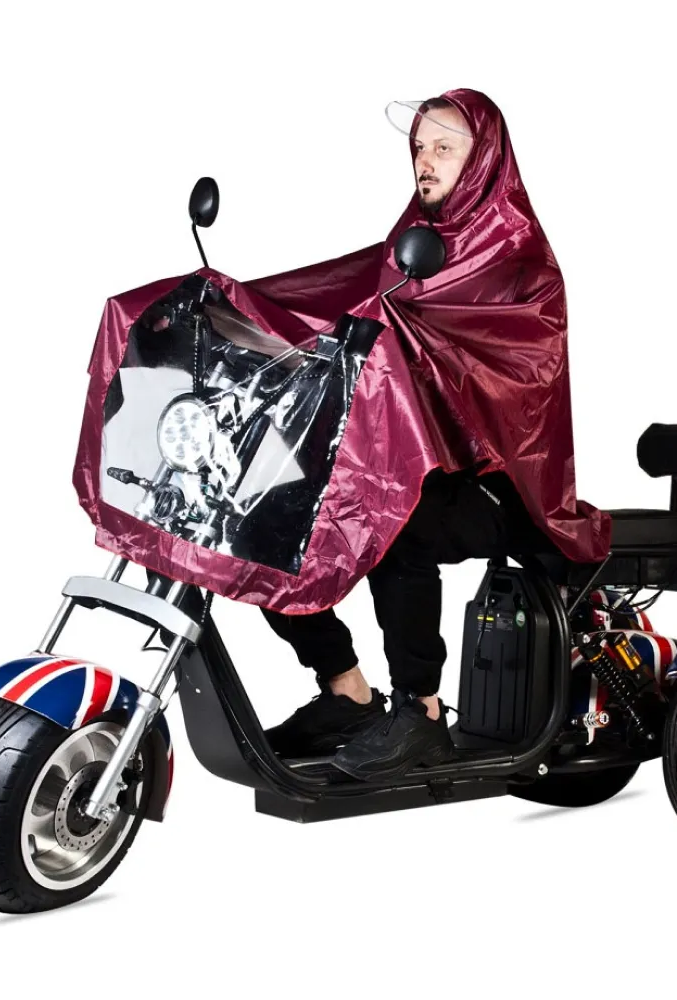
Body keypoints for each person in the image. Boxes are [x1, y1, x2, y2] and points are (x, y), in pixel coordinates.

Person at [260, 93, 565, 780]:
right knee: (268, 514)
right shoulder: (412, 242)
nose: (424, 161)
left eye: (443, 148)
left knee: (397, 524)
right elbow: (344, 303)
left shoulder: (514, 256)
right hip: (409, 463)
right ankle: (346, 692)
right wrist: (247, 315)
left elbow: (463, 353)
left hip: (498, 484)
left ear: (483, 159)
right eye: (420, 147)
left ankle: (421, 712)